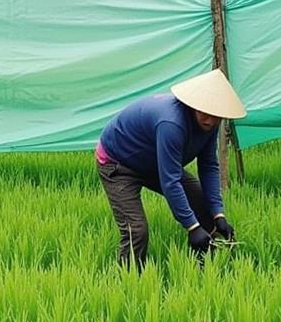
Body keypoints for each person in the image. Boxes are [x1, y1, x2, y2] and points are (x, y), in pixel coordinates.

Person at [95, 69, 247, 268]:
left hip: (152, 160)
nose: (209, 120)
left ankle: (205, 267)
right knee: (136, 230)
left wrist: (218, 214)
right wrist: (192, 227)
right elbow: (171, 181)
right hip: (118, 163)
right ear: (193, 105)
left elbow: (209, 165)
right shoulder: (172, 123)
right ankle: (127, 283)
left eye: (215, 115)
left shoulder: (210, 124)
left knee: (202, 205)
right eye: (204, 112)